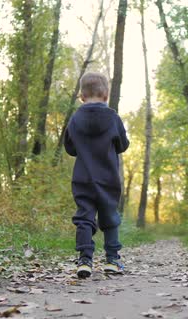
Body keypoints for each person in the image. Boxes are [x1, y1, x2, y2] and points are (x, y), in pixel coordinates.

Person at [64, 72, 130, 278]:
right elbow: (123, 145)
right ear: (106, 94)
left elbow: (70, 148)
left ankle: (84, 260)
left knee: (84, 217)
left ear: (82, 96)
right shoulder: (112, 117)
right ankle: (112, 260)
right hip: (108, 177)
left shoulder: (75, 119)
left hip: (82, 177)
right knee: (109, 216)